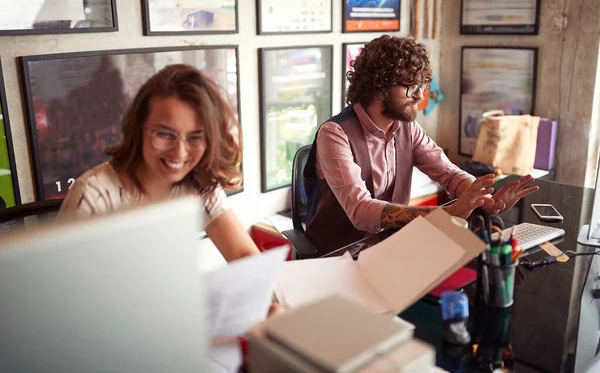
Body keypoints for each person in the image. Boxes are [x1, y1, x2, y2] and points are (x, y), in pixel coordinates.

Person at [304, 35, 538, 254]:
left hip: (390, 247)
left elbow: (448, 174)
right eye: (410, 87)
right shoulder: (334, 133)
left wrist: (483, 198)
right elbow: (361, 211)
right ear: (379, 86)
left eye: (422, 86)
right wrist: (444, 214)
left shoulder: (407, 128)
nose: (419, 96)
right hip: (339, 255)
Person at [58, 64, 260, 263]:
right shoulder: (93, 197)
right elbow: (66, 290)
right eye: (164, 134)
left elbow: (245, 256)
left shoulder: (200, 184)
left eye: (195, 137)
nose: (179, 153)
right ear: (139, 129)